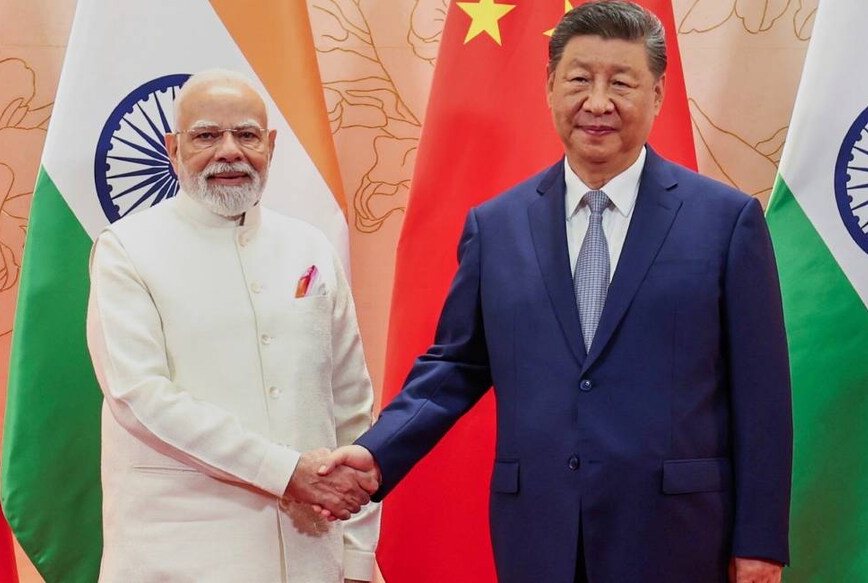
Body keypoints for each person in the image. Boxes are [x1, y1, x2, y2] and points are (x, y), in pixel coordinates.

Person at [321, 2, 792, 582]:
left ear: (658, 93)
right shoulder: (496, 226)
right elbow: (456, 365)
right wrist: (374, 454)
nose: (598, 103)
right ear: (548, 88)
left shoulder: (725, 221)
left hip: (679, 534)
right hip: (539, 533)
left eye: (621, 83)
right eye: (578, 80)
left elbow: (762, 396)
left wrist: (761, 543)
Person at [86, 69, 379, 583]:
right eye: (206, 136)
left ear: (270, 146)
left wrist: (357, 555)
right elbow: (139, 396)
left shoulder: (310, 248)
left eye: (245, 135)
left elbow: (351, 408)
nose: (229, 152)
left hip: (315, 558)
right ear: (173, 149)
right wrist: (286, 472)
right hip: (178, 556)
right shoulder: (126, 248)